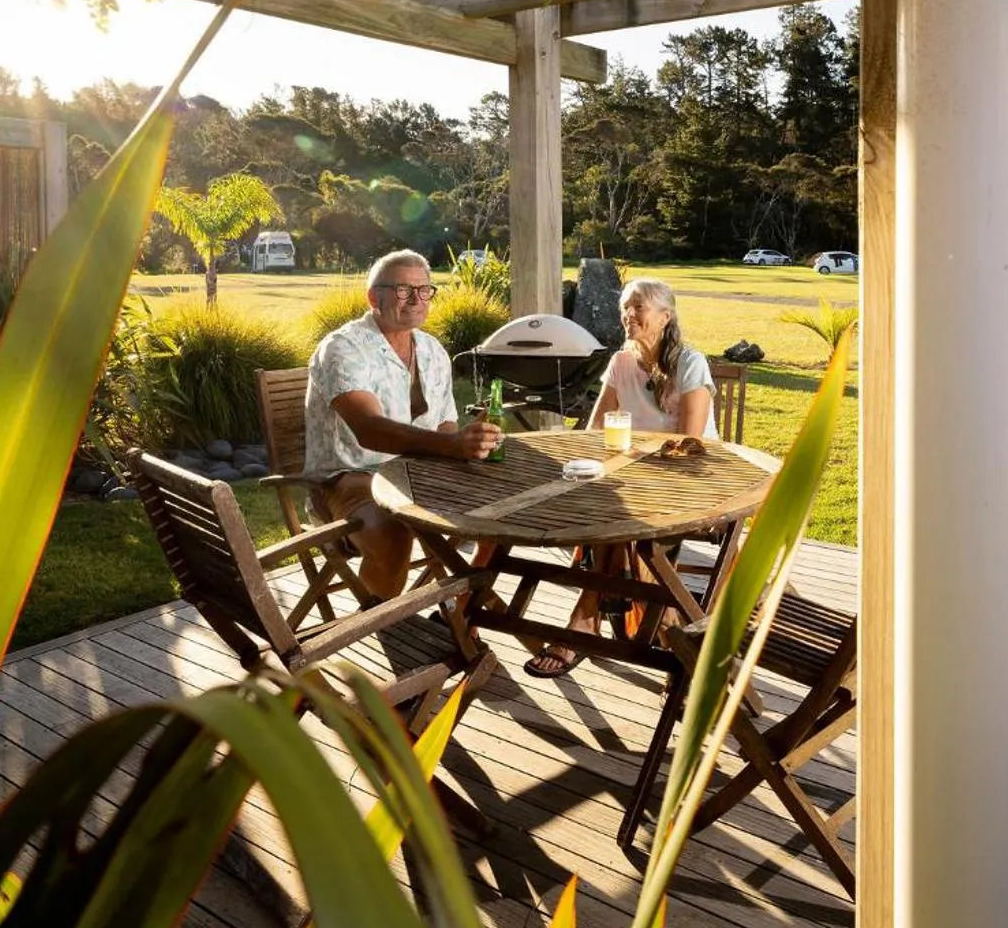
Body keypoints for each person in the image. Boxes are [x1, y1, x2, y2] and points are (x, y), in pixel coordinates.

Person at [525, 277, 716, 678]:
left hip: (692, 480)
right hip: (632, 476)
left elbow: (689, 442)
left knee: (618, 522)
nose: (628, 314)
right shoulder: (622, 362)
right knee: (599, 509)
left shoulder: (689, 363)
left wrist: (632, 465)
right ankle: (659, 622)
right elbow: (597, 430)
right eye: (625, 307)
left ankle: (585, 620)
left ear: (665, 316)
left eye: (639, 307)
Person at [305, 249, 503, 599]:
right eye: (402, 290)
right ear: (373, 297)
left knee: (500, 506)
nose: (416, 299)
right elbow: (369, 429)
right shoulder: (343, 348)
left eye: (424, 289)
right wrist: (452, 445)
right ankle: (382, 624)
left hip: (418, 474)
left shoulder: (431, 349)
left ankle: (462, 614)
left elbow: (444, 425)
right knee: (392, 534)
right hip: (349, 478)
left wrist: (469, 444)